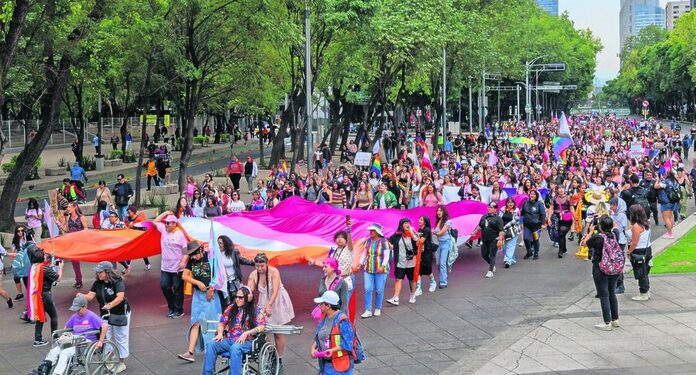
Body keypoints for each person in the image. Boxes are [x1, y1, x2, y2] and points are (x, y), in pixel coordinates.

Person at [31, 296, 108, 375]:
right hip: (73, 340)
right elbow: (66, 327)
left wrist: (100, 341)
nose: (77, 312)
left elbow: (104, 326)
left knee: (65, 353)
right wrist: (64, 336)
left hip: (86, 342)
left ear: (85, 306)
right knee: (54, 351)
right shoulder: (74, 316)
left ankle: (57, 373)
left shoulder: (91, 316)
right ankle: (43, 371)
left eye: (78, 310)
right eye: (75, 310)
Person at [77, 262, 130, 373]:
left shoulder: (117, 281)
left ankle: (121, 363)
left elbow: (120, 297)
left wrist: (110, 305)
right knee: (105, 336)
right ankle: (109, 359)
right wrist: (82, 295)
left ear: (107, 272)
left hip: (120, 313)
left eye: (100, 272)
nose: (98, 274)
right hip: (105, 314)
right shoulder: (97, 283)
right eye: (98, 272)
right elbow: (90, 296)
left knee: (121, 338)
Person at [202, 287, 265, 375]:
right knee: (211, 344)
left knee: (235, 348)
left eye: (240, 297)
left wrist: (247, 333)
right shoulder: (231, 308)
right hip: (230, 340)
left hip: (247, 341)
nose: (237, 299)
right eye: (236, 297)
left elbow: (261, 327)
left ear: (249, 298)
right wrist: (220, 333)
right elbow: (222, 323)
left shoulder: (256, 310)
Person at [247, 253, 295, 367]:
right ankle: (271, 354)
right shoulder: (253, 274)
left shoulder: (274, 272)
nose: (260, 268)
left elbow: (275, 291)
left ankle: (280, 359)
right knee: (264, 330)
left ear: (267, 264)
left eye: (262, 266)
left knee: (278, 332)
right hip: (263, 300)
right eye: (257, 266)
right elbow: (249, 290)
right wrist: (246, 296)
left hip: (277, 300)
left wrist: (269, 305)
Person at [178, 241, 222, 363]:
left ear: (201, 250)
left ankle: (211, 350)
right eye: (191, 255)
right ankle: (190, 352)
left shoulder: (210, 257)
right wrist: (197, 282)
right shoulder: (192, 261)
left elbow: (218, 274)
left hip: (211, 294)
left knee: (210, 323)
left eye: (195, 254)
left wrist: (211, 289)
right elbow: (184, 276)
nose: (193, 257)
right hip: (198, 295)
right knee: (195, 321)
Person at [582, 215, 621, 331]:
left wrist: (589, 231)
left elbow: (584, 243)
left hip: (601, 267)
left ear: (600, 227)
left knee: (604, 294)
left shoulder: (598, 238)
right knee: (612, 293)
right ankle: (615, 319)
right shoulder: (615, 234)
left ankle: (607, 322)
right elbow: (616, 226)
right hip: (614, 267)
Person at [153, 211, 189, 318]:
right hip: (165, 267)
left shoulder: (180, 234)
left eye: (169, 223)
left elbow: (186, 251)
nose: (166, 225)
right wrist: (166, 213)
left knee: (177, 289)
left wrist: (183, 262)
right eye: (166, 223)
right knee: (164, 286)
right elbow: (155, 221)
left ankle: (178, 310)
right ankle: (171, 307)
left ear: (174, 223)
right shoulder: (163, 229)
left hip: (177, 267)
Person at [311, 291, 355, 375]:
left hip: (340, 365)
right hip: (326, 364)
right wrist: (313, 348)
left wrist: (331, 350)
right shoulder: (324, 318)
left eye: (321, 304)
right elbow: (318, 337)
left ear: (328, 305)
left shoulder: (343, 320)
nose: (319, 306)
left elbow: (348, 344)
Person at [31, 246, 62, 347]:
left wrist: (50, 265)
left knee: (41, 317)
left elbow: (44, 270)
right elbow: (58, 278)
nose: (45, 257)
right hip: (46, 295)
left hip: (38, 295)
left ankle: (38, 339)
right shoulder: (46, 269)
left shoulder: (34, 267)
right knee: (54, 316)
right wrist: (60, 268)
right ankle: (55, 337)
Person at [360, 223, 392, 318]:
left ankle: (378, 308)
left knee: (379, 289)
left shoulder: (384, 241)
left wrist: (382, 266)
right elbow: (365, 254)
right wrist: (360, 263)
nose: (370, 232)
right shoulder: (368, 241)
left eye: (372, 231)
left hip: (380, 269)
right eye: (370, 231)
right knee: (368, 289)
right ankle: (368, 309)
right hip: (369, 268)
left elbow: (386, 255)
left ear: (377, 232)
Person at [386, 218, 419, 305]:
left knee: (411, 280)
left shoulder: (412, 235)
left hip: (411, 262)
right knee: (398, 279)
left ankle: (412, 295)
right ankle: (396, 298)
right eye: (405, 223)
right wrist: (391, 246)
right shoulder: (397, 235)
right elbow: (389, 242)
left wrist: (412, 234)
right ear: (401, 225)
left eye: (409, 223)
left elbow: (418, 243)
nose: (407, 224)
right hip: (400, 261)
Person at [470, 201, 505, 278]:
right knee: (484, 254)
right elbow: (480, 226)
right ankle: (492, 265)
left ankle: (490, 271)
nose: (489, 208)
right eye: (488, 207)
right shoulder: (484, 216)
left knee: (492, 255)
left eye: (491, 207)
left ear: (495, 209)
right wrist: (474, 232)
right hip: (484, 239)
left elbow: (501, 231)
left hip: (494, 239)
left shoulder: (498, 219)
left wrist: (500, 239)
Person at [58, 202, 88, 289]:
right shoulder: (69, 218)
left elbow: (86, 229)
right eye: (67, 207)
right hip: (72, 243)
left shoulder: (81, 217)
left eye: (69, 207)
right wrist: (60, 224)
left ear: (75, 207)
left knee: (93, 257)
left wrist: (79, 235)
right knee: (75, 263)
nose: (67, 208)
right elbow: (66, 229)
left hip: (81, 242)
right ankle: (79, 280)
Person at [218, 236, 255, 305]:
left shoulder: (233, 252)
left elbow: (243, 260)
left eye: (220, 243)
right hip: (223, 284)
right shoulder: (216, 254)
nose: (218, 245)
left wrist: (254, 262)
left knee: (238, 301)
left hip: (235, 282)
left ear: (225, 244)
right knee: (225, 303)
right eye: (217, 243)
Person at [627, 204, 653, 301]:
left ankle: (643, 292)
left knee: (640, 271)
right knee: (644, 271)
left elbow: (634, 242)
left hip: (639, 250)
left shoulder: (636, 227)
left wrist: (629, 252)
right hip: (647, 249)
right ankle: (645, 290)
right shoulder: (646, 223)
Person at [521, 190, 546, 260]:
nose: (532, 195)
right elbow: (522, 213)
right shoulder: (525, 203)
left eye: (534, 194)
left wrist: (543, 224)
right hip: (527, 225)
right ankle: (529, 252)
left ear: (536, 196)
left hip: (536, 226)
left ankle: (536, 253)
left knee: (535, 239)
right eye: (531, 194)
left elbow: (543, 214)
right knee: (526, 238)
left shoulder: (540, 204)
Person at [416, 215, 438, 295]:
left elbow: (421, 241)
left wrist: (414, 236)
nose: (419, 221)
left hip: (427, 253)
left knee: (428, 270)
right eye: (419, 219)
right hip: (420, 252)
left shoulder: (427, 230)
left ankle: (433, 282)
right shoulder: (419, 229)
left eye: (421, 220)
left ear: (425, 222)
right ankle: (418, 288)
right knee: (419, 270)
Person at [655, 171, 678, 239]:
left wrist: (657, 180)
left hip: (666, 202)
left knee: (666, 218)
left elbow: (656, 186)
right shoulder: (674, 181)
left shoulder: (665, 182)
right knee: (670, 217)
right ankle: (669, 232)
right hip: (673, 201)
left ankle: (670, 234)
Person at [433, 205, 452, 288]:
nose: (438, 212)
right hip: (438, 243)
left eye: (440, 210)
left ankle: (443, 282)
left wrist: (433, 233)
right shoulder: (438, 221)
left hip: (445, 243)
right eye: (438, 210)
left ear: (444, 212)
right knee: (438, 263)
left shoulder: (447, 222)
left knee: (442, 263)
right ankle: (444, 275)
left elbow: (441, 233)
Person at [499, 198, 521, 268]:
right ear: (506, 203)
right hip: (503, 230)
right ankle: (511, 259)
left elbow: (515, 220)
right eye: (508, 202)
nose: (510, 204)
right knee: (504, 246)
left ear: (514, 203)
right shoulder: (502, 209)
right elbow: (499, 218)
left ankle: (507, 261)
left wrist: (505, 226)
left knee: (510, 245)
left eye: (512, 202)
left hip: (513, 230)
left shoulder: (517, 210)